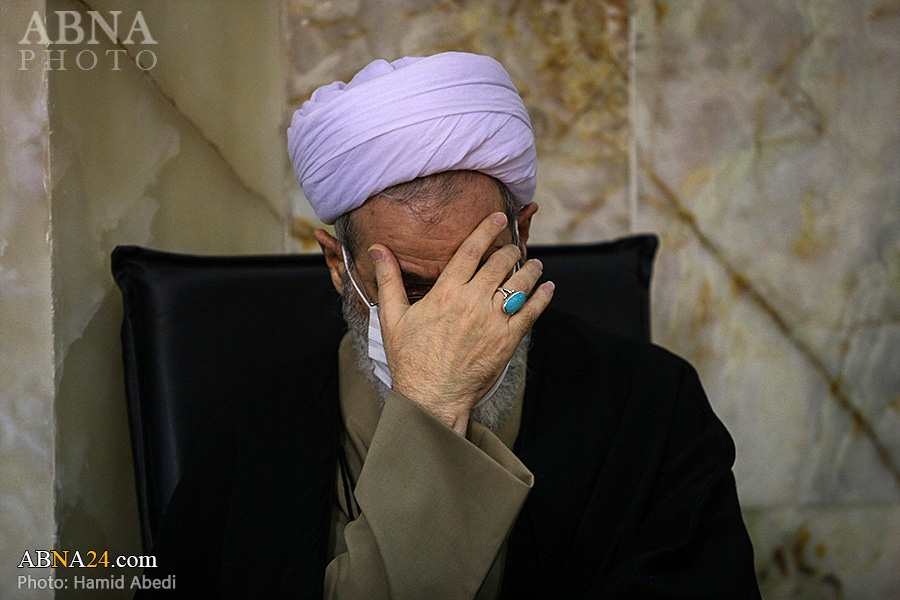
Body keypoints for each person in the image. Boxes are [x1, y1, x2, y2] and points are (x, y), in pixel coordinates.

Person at [137, 52, 760, 599]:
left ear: (522, 236)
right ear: (338, 266)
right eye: (409, 290)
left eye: (475, 273)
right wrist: (431, 407)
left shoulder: (652, 405)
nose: (447, 323)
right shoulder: (251, 437)